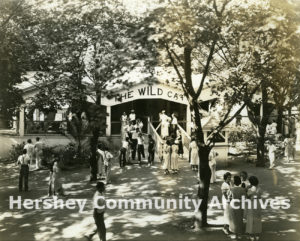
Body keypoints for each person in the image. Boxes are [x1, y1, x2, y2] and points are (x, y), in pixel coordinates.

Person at [246, 176, 262, 241]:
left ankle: (251, 234)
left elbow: (247, 196)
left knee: (251, 218)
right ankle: (257, 234)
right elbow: (260, 196)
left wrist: (247, 189)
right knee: (257, 217)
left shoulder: (251, 189)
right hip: (258, 203)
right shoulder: (259, 189)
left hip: (252, 204)